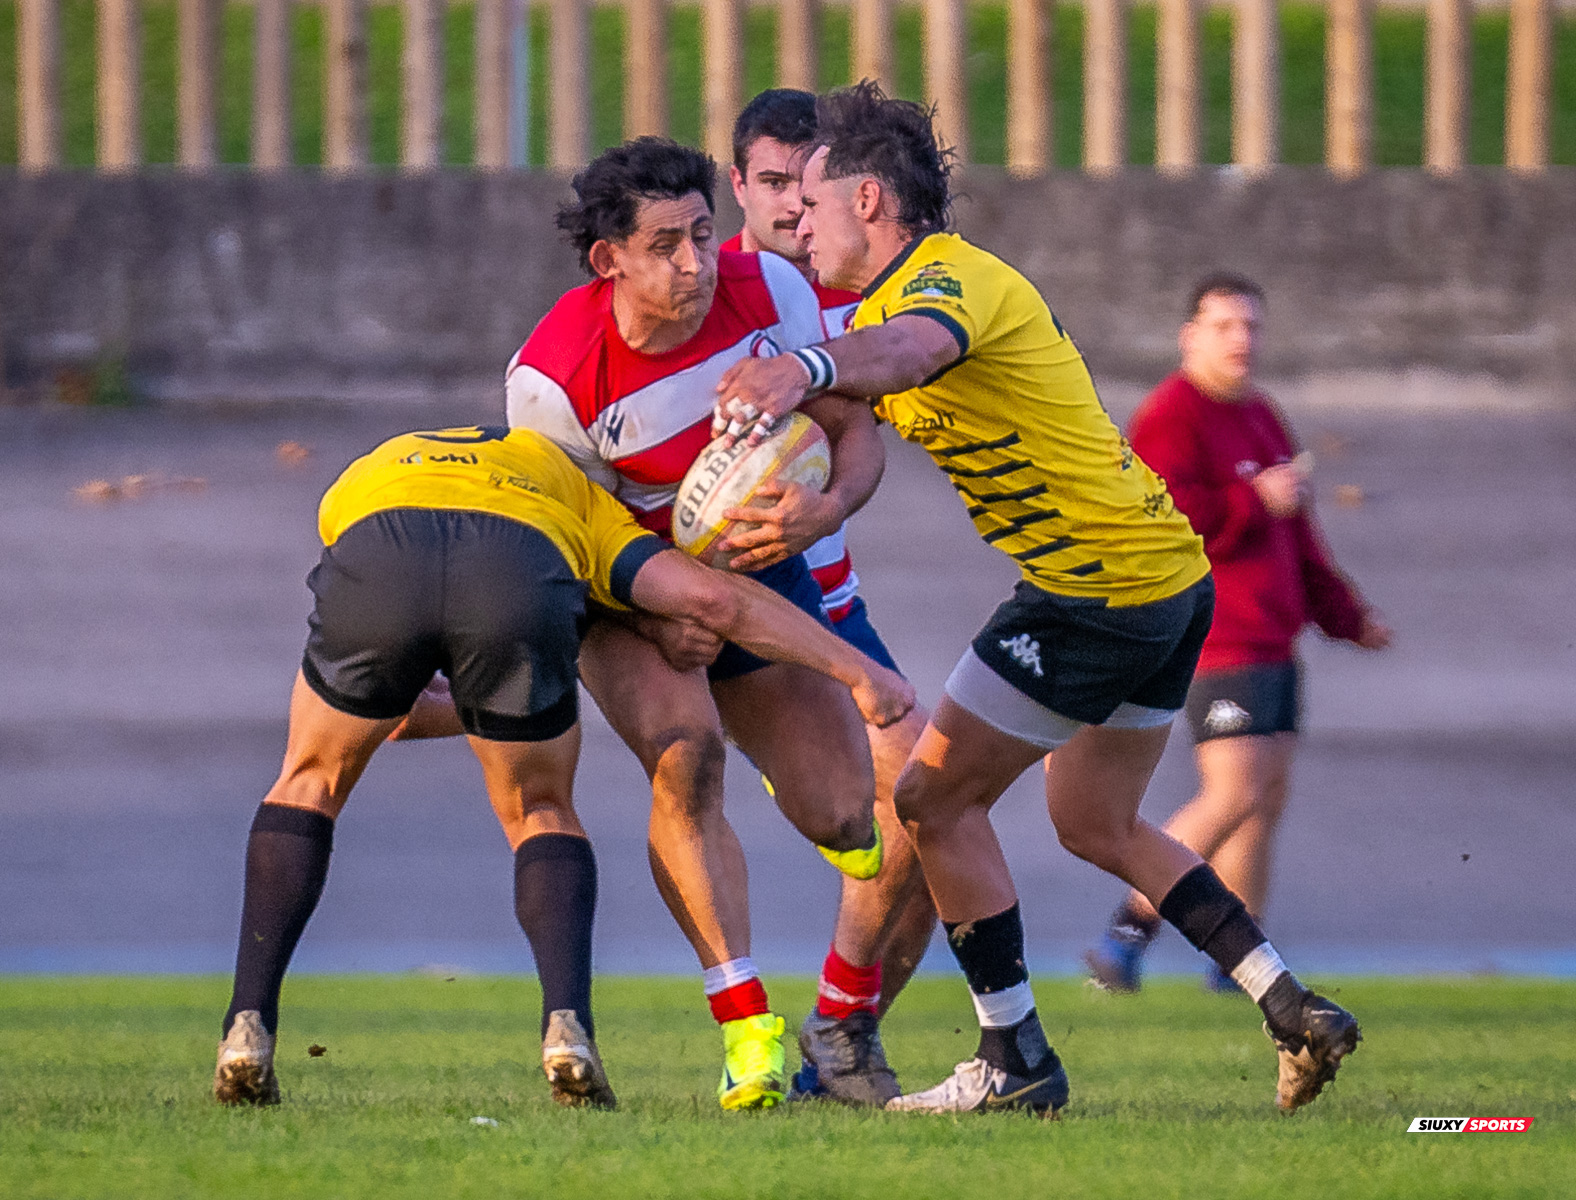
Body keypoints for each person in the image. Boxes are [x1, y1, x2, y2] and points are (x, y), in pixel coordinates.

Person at [714, 82, 1363, 1115]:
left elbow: (910, 354)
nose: (800, 220)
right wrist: (816, 502)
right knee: (1096, 819)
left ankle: (1013, 1058)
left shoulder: (948, 285)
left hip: (1090, 593)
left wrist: (798, 367)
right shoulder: (880, 310)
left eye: (817, 201)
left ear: (872, 200)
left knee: (929, 799)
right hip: (1162, 584)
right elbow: (865, 408)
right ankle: (1291, 1005)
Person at [212, 424, 914, 1111]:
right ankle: (567, 1032)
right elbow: (714, 600)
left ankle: (247, 1029)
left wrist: (467, 695)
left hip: (380, 544)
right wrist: (856, 671)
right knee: (540, 807)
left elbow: (391, 710)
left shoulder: (366, 472)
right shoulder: (575, 493)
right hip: (516, 561)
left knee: (307, 779)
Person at [506, 136, 916, 1109]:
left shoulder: (769, 289)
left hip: (760, 577)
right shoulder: (554, 382)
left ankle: (778, 753)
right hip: (624, 599)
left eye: (701, 234)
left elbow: (854, 429)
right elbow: (565, 555)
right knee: (686, 755)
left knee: (847, 817)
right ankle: (745, 1025)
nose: (696, 264)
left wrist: (829, 508)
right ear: (609, 260)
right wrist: (662, 612)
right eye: (665, 246)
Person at [1084, 274, 1393, 994]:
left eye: (1251, 326)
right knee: (1234, 791)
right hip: (1216, 638)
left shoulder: (1261, 416)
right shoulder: (1170, 417)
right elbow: (1161, 520)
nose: (1241, 340)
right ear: (1190, 335)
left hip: (1274, 641)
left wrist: (1347, 617)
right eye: (1224, 325)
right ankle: (1126, 933)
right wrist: (1251, 498)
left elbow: (1299, 538)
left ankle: (1243, 967)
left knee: (1265, 800)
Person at [723, 88, 940, 1098]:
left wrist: (827, 503)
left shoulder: (851, 304)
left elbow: (862, 439)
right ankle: (796, 1035)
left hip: (830, 606)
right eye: (770, 185)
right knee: (912, 801)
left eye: (804, 188)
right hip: (716, 613)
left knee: (937, 823)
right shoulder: (705, 293)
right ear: (738, 187)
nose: (788, 209)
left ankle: (837, 1038)